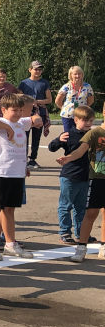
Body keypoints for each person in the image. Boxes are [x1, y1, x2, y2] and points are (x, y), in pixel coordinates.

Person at [0, 94, 42, 260]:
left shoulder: (21, 122)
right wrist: (8, 128)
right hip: (0, 172)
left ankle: (10, 244)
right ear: (4, 110)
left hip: (16, 173)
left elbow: (35, 118)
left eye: (20, 110)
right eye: (14, 110)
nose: (18, 113)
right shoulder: (1, 123)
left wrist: (36, 118)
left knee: (9, 210)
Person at [48, 105, 94, 244]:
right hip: (69, 176)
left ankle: (81, 233)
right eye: (85, 120)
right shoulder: (68, 134)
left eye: (91, 121)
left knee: (81, 208)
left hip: (85, 177)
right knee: (65, 205)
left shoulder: (92, 135)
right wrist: (58, 140)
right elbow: (51, 147)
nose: (88, 123)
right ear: (76, 120)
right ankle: (65, 232)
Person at [19, 61, 52, 169]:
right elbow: (19, 98)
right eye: (35, 69)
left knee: (36, 138)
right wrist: (28, 102)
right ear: (30, 70)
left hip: (40, 113)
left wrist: (37, 102)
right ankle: (23, 159)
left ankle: (33, 159)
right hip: (26, 113)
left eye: (39, 69)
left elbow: (49, 99)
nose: (38, 71)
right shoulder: (23, 83)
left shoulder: (44, 83)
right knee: (24, 137)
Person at [55, 65, 94, 133]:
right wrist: (63, 108)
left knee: (82, 136)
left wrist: (84, 109)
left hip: (82, 116)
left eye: (79, 74)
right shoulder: (66, 87)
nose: (77, 76)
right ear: (71, 75)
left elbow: (91, 100)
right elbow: (58, 101)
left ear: (82, 75)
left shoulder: (87, 87)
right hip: (68, 116)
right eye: (75, 74)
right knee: (69, 136)